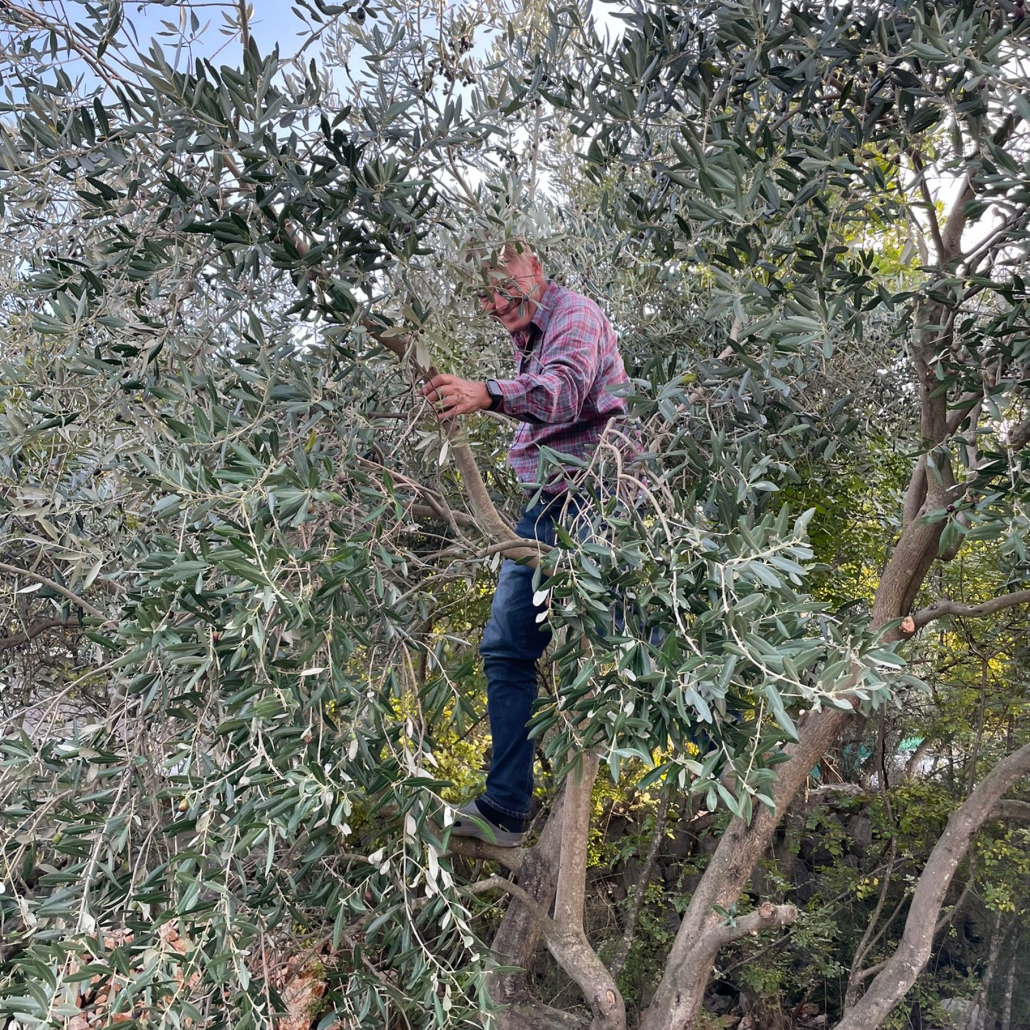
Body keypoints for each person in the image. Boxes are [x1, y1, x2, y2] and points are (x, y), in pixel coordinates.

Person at [420, 240, 631, 847]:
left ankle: (722, 740)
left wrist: (485, 392)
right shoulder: (530, 335)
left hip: (598, 494)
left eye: (499, 287)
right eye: (482, 295)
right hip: (547, 504)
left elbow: (564, 391)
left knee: (615, 641)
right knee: (507, 647)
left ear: (533, 268)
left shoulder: (574, 314)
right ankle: (505, 810)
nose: (492, 304)